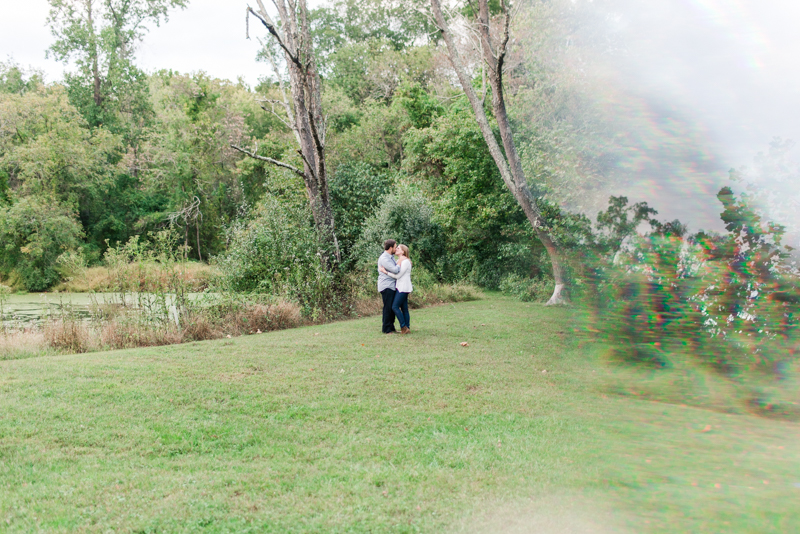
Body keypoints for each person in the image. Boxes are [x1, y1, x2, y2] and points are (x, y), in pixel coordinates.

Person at [379, 244, 413, 335]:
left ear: (403, 251)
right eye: (396, 247)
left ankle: (404, 326)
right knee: (404, 308)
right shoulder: (398, 260)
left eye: (398, 248)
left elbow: (398, 275)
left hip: (403, 287)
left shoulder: (405, 261)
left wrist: (386, 272)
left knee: (394, 306)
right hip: (400, 287)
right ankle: (407, 327)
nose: (396, 249)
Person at [377, 239, 400, 334]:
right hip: (386, 286)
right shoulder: (384, 258)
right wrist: (400, 262)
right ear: (390, 248)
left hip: (392, 285)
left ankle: (391, 327)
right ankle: (386, 329)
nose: (396, 249)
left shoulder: (390, 257)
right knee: (388, 307)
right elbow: (395, 270)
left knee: (392, 307)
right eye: (395, 247)